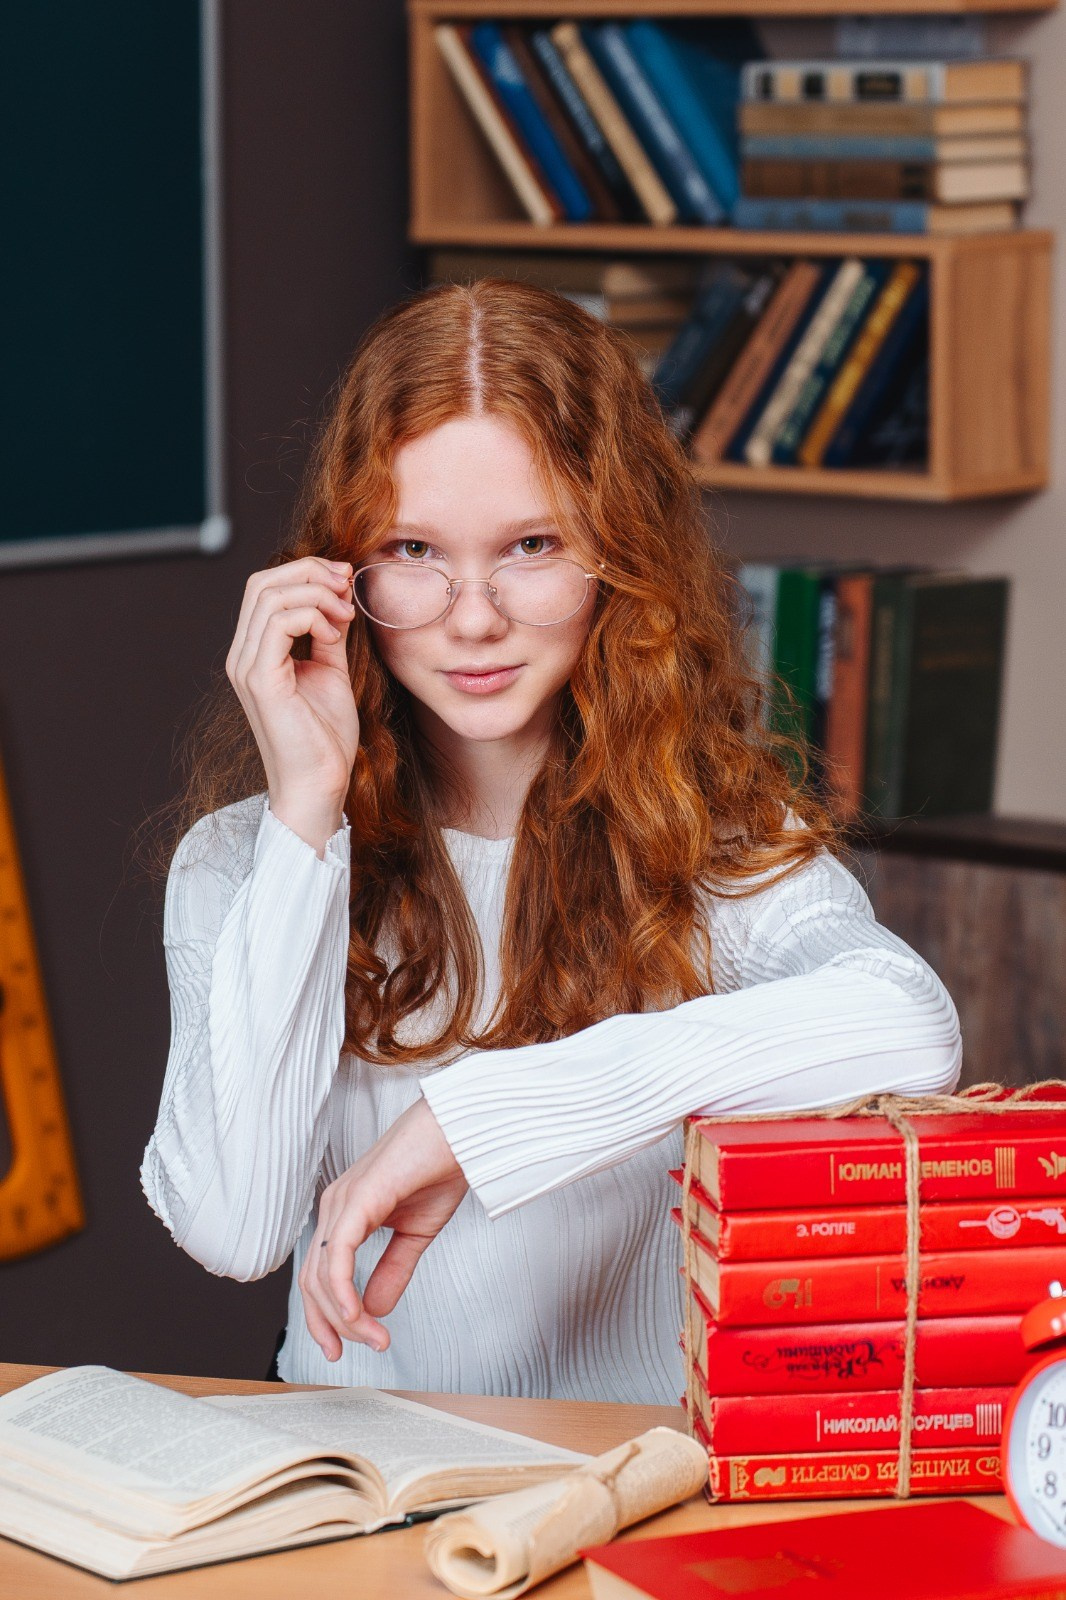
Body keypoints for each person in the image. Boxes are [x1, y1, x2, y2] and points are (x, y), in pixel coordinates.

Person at [141, 278, 960, 1404]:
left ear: (615, 555)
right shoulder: (246, 856)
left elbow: (909, 1024)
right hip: (361, 1489)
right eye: (415, 548)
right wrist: (307, 809)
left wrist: (474, 1121)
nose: (472, 616)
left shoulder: (714, 839)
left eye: (531, 544)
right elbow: (231, 1226)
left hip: (629, 1485)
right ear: (342, 572)